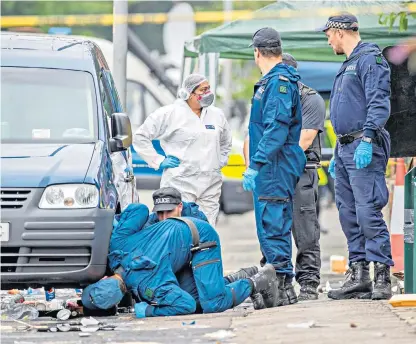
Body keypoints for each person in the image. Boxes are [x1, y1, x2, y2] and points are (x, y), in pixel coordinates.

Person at [82, 187, 278, 317]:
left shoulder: (147, 283)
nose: (164, 217)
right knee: (196, 295)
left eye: (169, 211)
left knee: (212, 302)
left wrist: (148, 311)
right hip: (179, 258)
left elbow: (186, 306)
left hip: (201, 240)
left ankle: (260, 281)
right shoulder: (117, 245)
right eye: (160, 213)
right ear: (104, 279)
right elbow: (138, 209)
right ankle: (245, 275)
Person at [319, 13, 393, 300]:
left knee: (367, 211)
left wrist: (368, 138)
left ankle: (382, 275)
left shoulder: (369, 59)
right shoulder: (348, 64)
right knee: (349, 213)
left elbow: (378, 100)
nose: (327, 40)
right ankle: (359, 275)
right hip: (346, 147)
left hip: (365, 145)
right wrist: (340, 150)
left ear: (340, 32)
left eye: (328, 34)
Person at [243, 53, 326, 302]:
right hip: (271, 171)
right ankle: (276, 279)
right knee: (272, 226)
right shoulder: (266, 93)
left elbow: (306, 138)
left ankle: (308, 282)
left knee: (304, 229)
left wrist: (274, 163)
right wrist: (253, 168)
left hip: (299, 170)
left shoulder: (310, 99)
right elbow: (253, 134)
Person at [242, 27, 306, 307]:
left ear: (257, 52)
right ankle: (281, 284)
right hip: (273, 164)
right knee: (273, 224)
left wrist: (255, 164)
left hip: (274, 165)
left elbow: (276, 130)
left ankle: (281, 286)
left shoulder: (278, 82)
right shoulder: (275, 81)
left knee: (272, 224)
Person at [133, 74, 232, 226]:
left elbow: (226, 141)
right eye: (203, 90)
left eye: (209, 89)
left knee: (207, 227)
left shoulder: (216, 115)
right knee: (179, 226)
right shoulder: (169, 114)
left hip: (210, 183)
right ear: (189, 94)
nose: (208, 94)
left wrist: (220, 161)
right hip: (180, 182)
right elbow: (140, 137)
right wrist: (159, 160)